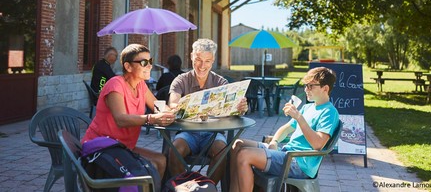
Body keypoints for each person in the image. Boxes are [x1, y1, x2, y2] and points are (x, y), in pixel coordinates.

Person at [230, 67, 340, 192]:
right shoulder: (307, 107)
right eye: (305, 85)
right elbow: (286, 129)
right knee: (237, 144)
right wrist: (274, 142)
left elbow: (318, 144)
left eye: (311, 86)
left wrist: (299, 118)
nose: (306, 89)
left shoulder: (329, 112)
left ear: (325, 88)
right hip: (286, 153)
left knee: (244, 155)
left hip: (299, 163)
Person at [82, 44, 176, 179]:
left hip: (123, 147)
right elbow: (120, 119)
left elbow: (157, 106)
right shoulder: (116, 85)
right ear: (128, 66)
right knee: (149, 169)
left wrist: (174, 111)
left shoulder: (140, 85)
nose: (149, 66)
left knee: (161, 161)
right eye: (144, 62)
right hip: (101, 148)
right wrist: (150, 118)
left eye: (150, 61)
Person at [167, 38, 248, 184]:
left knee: (222, 150)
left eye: (207, 61)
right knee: (174, 150)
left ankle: (208, 187)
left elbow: (233, 111)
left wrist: (240, 108)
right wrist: (182, 107)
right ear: (191, 56)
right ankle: (185, 188)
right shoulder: (181, 80)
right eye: (198, 59)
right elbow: (173, 103)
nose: (202, 65)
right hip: (187, 132)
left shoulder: (221, 82)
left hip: (213, 133)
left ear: (213, 60)